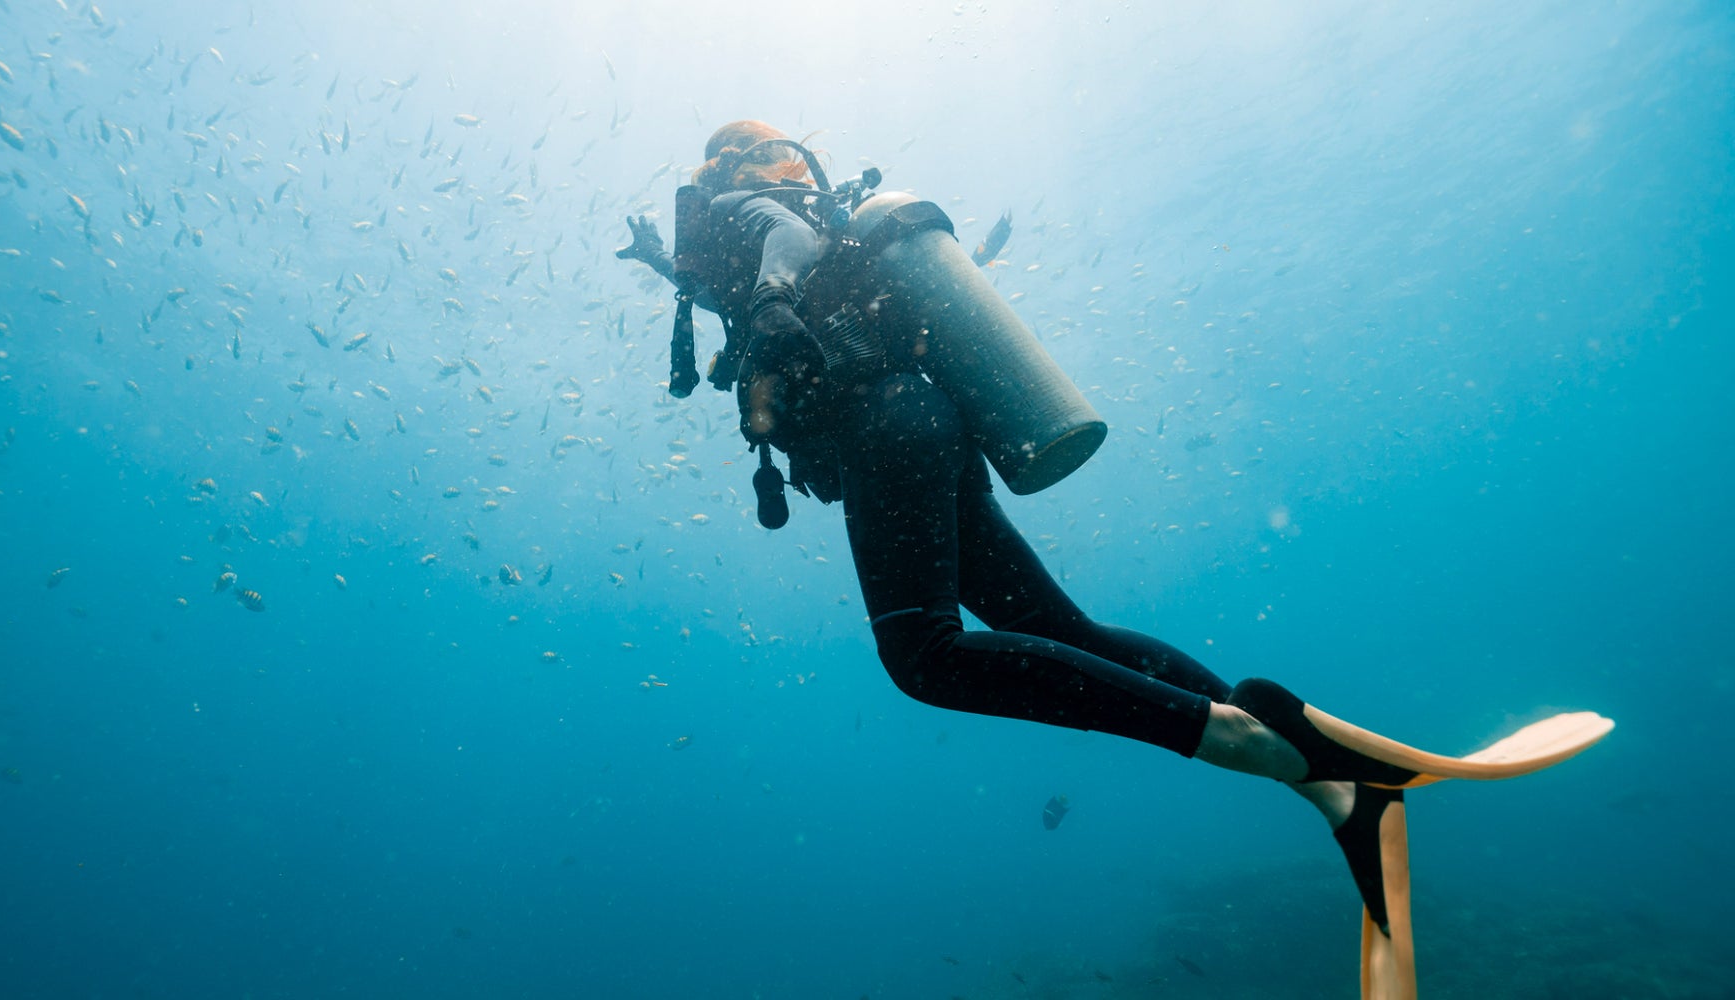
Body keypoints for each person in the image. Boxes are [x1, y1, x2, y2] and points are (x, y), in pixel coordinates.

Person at [616, 120, 1608, 999]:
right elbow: (770, 271)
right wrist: (679, 272)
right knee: (1054, 630)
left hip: (886, 431)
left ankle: (1255, 745)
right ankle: (1315, 769)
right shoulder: (792, 222)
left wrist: (776, 294)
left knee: (925, 656)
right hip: (923, 421)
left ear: (726, 167)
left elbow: (776, 248)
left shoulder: (745, 209)